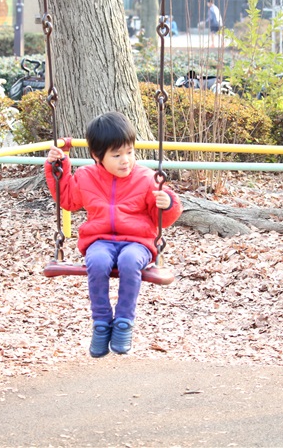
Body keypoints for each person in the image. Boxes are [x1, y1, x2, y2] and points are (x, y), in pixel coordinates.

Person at [44, 112, 183, 358]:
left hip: (137, 242)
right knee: (96, 262)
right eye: (116, 155)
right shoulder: (86, 176)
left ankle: (123, 323)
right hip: (100, 240)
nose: (125, 160)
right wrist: (58, 167)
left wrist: (168, 203)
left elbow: (161, 218)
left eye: (129, 152)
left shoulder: (146, 178)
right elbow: (67, 199)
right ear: (97, 156)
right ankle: (101, 323)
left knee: (130, 262)